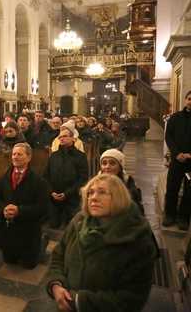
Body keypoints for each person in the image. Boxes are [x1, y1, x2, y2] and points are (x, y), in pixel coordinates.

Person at [45, 174, 156, 311]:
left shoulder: (138, 241)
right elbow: (58, 255)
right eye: (90, 193)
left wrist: (79, 301)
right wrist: (56, 284)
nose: (94, 197)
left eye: (102, 192)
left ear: (119, 197)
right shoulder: (78, 222)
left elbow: (130, 300)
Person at [0, 143, 49, 269]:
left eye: (19, 154)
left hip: (28, 232)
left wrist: (19, 211)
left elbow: (43, 208)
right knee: (9, 261)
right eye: (13, 154)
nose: (15, 157)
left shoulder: (39, 182)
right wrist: (3, 209)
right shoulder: (4, 178)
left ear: (29, 157)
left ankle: (43, 242)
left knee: (29, 265)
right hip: (9, 232)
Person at [43, 126, 89, 229]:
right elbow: (45, 176)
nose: (62, 139)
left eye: (65, 136)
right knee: (53, 226)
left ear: (73, 138)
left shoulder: (80, 156)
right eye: (60, 137)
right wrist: (51, 192)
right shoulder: (54, 156)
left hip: (72, 198)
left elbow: (83, 179)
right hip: (54, 198)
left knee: (72, 228)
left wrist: (67, 194)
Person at [162, 90, 191, 229]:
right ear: (185, 100)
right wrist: (176, 153)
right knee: (172, 187)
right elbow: (169, 136)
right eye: (189, 98)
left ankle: (183, 218)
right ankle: (170, 214)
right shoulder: (176, 117)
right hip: (177, 159)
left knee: (189, 191)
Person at [99, 149, 144, 215]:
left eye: (112, 163)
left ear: (120, 167)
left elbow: (139, 216)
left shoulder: (131, 189)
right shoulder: (93, 184)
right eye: (104, 163)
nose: (107, 167)